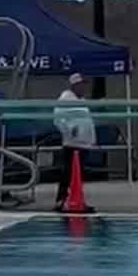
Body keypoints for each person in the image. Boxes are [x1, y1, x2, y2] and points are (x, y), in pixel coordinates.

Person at [53, 71, 97, 210]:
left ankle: (76, 198)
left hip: (83, 143)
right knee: (68, 173)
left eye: (84, 85)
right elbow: (58, 119)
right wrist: (70, 130)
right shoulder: (66, 99)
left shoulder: (81, 101)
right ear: (74, 85)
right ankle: (62, 200)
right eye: (81, 85)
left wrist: (91, 139)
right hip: (73, 144)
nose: (84, 88)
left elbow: (86, 122)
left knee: (77, 175)